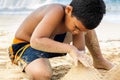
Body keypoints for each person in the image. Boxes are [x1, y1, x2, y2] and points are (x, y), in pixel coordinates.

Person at [8, 0, 113, 80]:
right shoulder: (56, 11)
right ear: (68, 10)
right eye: (76, 27)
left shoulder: (76, 23)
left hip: (51, 42)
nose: (77, 33)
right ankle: (30, 64)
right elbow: (36, 41)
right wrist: (70, 48)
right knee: (42, 74)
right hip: (27, 44)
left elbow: (80, 50)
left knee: (86, 28)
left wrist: (81, 58)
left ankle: (99, 60)